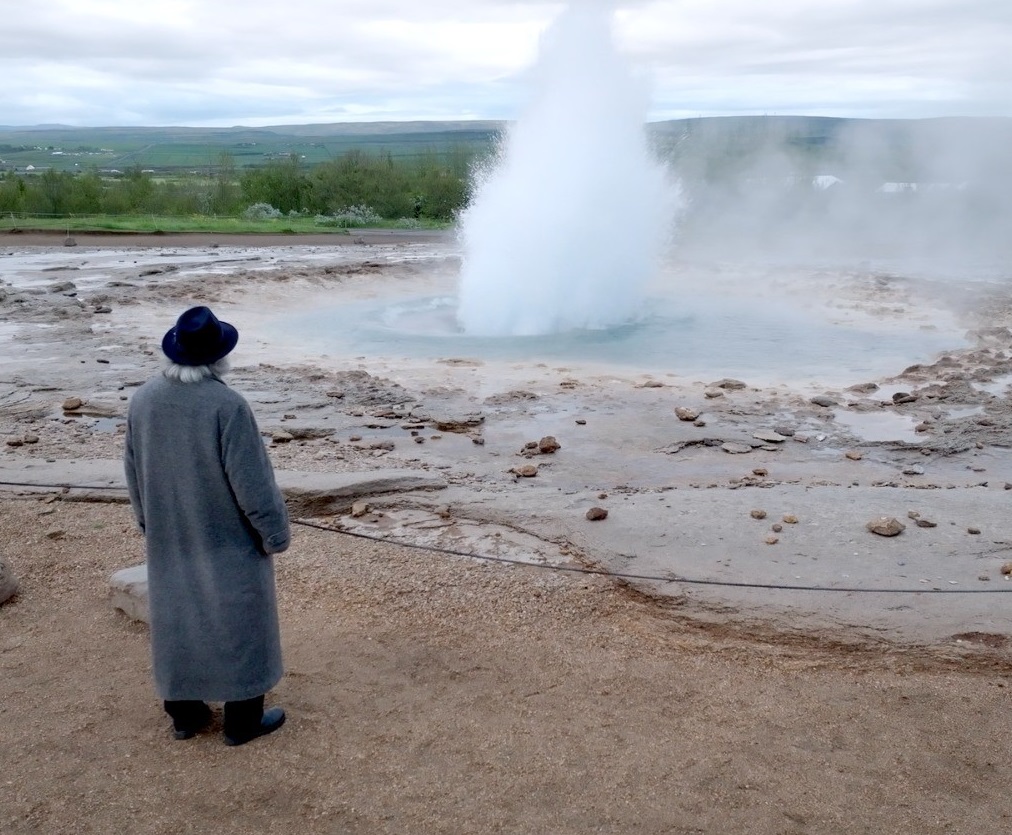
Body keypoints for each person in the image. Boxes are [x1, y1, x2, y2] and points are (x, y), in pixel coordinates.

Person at [124, 305, 290, 746]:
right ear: (220, 358)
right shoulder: (227, 405)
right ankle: (242, 721)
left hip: (169, 532)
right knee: (240, 617)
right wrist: (274, 533)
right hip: (227, 537)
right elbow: (252, 482)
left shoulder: (142, 400)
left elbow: (133, 470)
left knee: (178, 616)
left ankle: (185, 714)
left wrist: (148, 523)